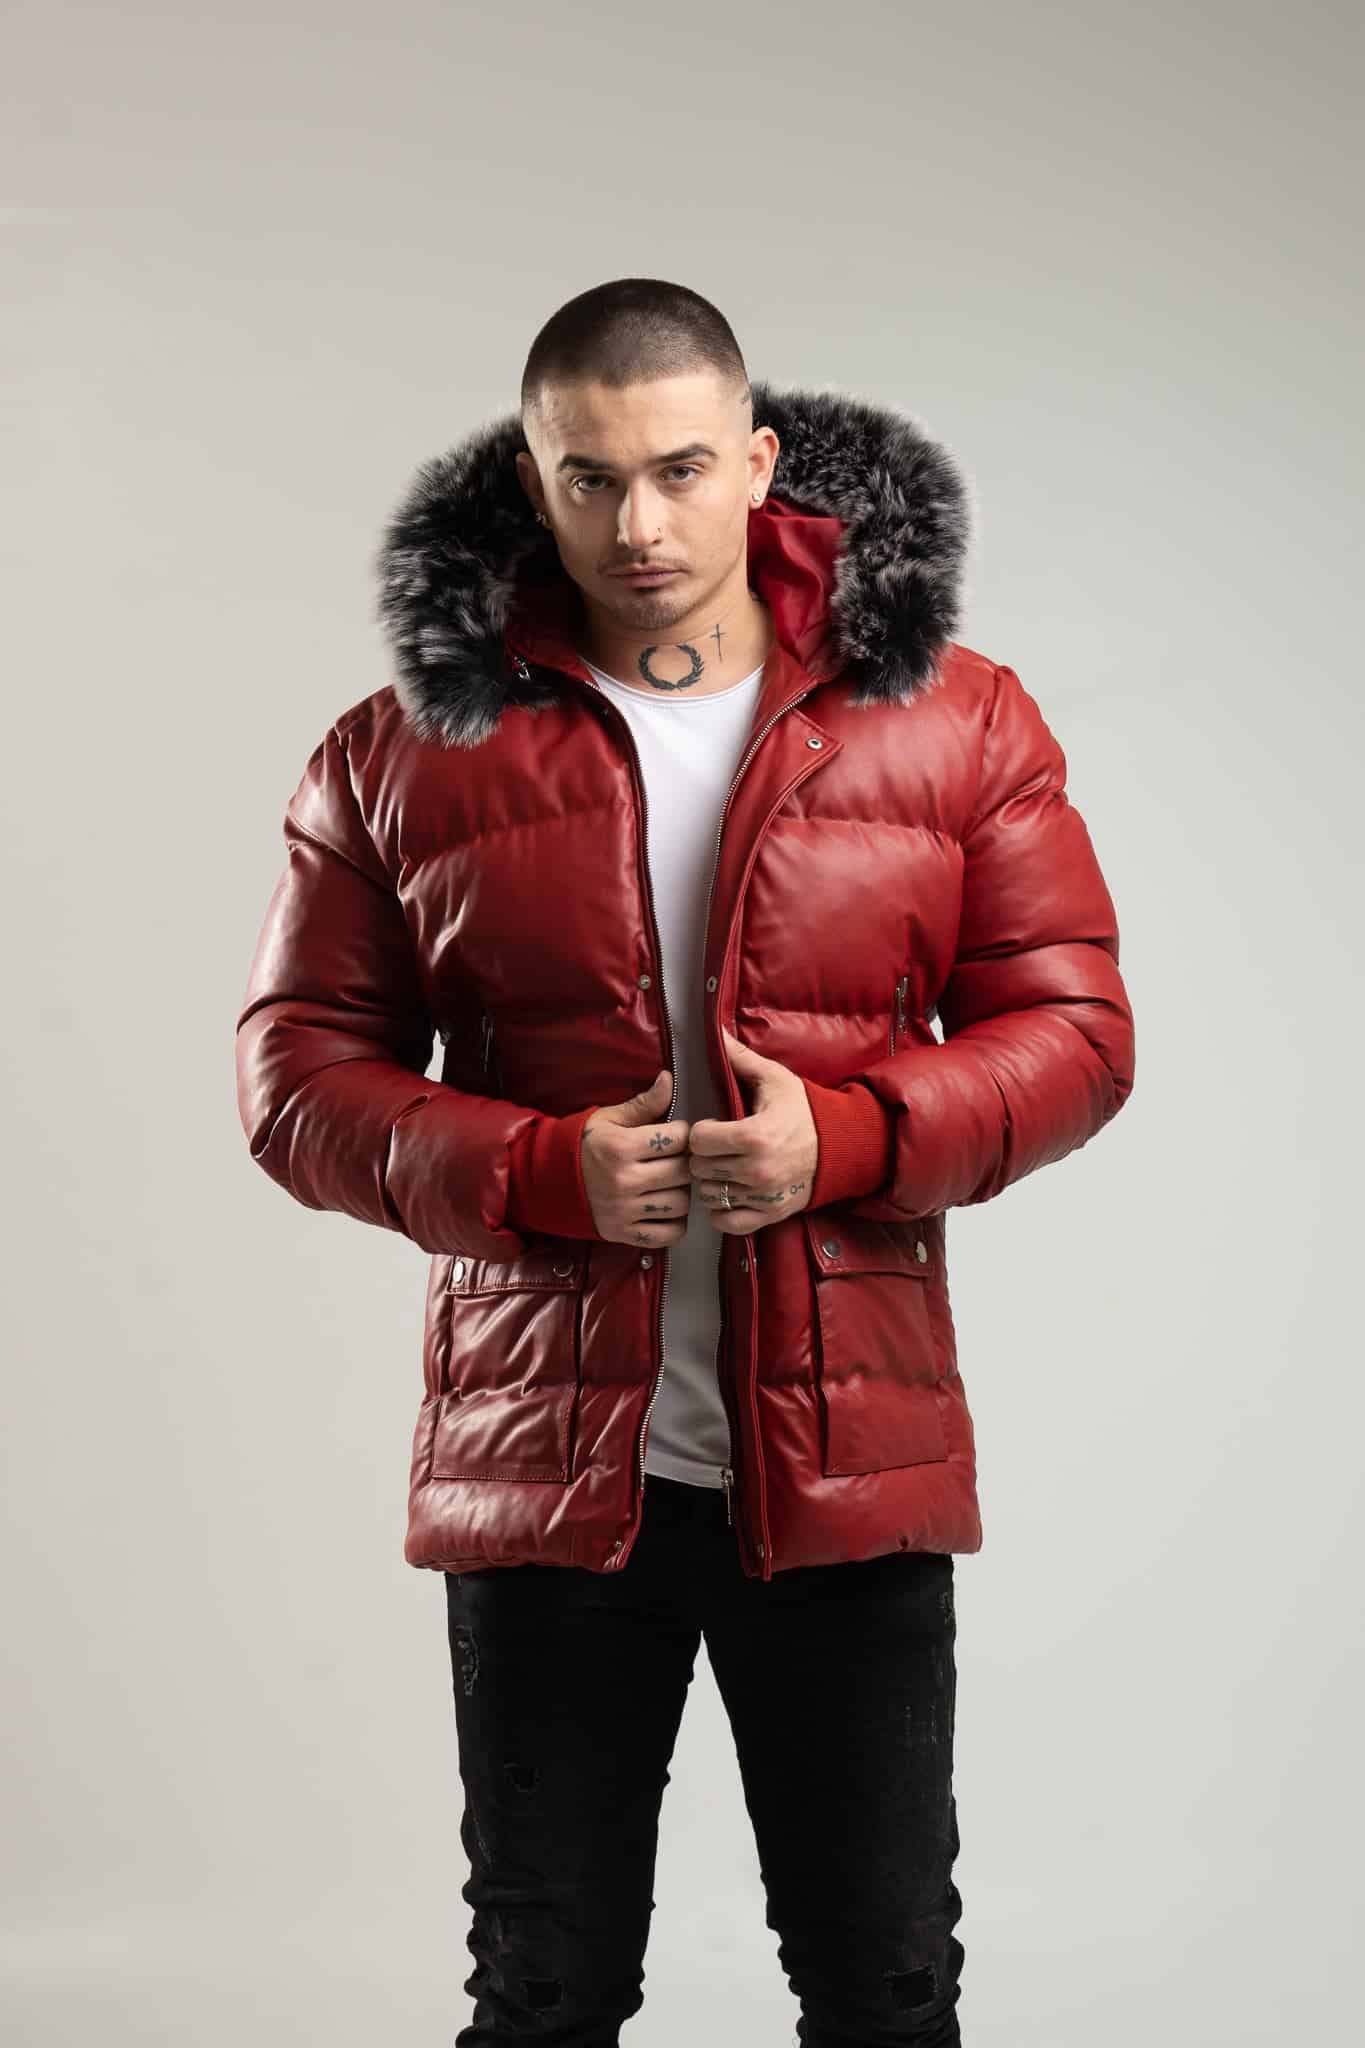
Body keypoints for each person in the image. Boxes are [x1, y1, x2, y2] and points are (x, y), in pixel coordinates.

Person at [235, 276, 1135, 2045]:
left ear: (760, 462)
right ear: (532, 478)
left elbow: (1077, 1032)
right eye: (588, 479)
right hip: (547, 1468)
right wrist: (533, 1171)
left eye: (679, 470)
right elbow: (294, 1077)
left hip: (847, 1460)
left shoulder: (956, 720)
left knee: (884, 1991)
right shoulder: (402, 748)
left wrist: (852, 1137)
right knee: (545, 1995)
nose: (637, 526)